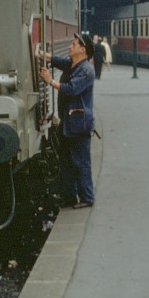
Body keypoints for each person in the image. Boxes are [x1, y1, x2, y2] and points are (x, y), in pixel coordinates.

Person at [40, 32, 96, 209]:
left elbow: (71, 89)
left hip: (79, 124)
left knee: (80, 162)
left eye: (73, 44)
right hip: (69, 122)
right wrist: (43, 55)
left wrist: (50, 81)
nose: (70, 46)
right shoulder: (74, 65)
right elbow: (59, 61)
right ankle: (70, 196)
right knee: (67, 161)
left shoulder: (86, 70)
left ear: (82, 49)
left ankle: (87, 197)